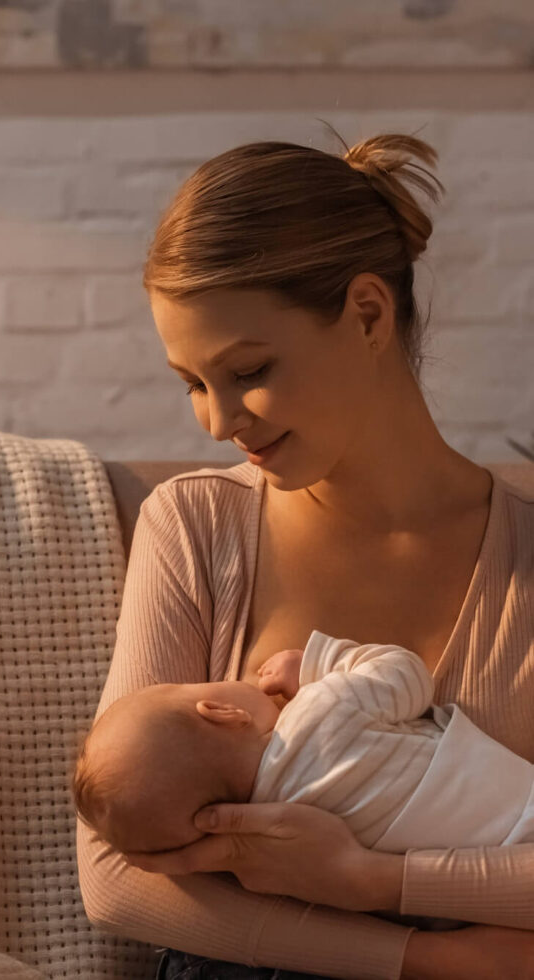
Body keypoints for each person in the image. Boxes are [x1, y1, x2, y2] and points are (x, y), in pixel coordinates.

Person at [75, 127, 534, 980]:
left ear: (368, 312)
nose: (217, 423)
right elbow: (114, 878)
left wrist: (370, 880)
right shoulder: (196, 527)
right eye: (192, 384)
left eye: (247, 369)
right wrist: (424, 959)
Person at [73, 631, 534, 858]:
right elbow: (408, 676)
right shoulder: (320, 711)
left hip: (465, 886)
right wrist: (319, 664)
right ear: (222, 712)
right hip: (519, 811)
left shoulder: (272, 839)